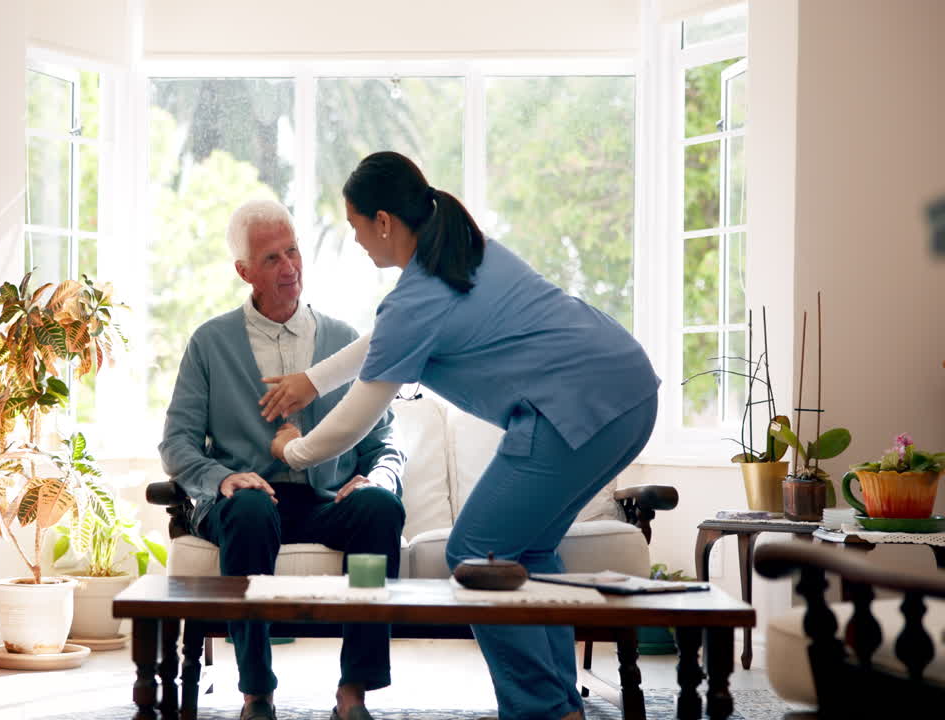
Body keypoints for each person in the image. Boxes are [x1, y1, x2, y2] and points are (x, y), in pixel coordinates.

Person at [264, 152, 659, 720]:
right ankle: (559, 705)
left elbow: (354, 420)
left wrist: (293, 450)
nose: (355, 240)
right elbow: (388, 337)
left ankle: (546, 712)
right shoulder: (462, 252)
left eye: (355, 225)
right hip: (630, 390)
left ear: (383, 221)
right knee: (526, 550)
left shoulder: (418, 295)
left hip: (576, 408)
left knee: (475, 553)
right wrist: (312, 380)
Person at [159, 199, 407, 720]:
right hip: (245, 504)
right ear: (244, 271)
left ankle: (354, 689)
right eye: (271, 258)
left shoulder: (343, 341)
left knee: (380, 509)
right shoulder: (210, 343)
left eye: (292, 251)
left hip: (324, 500)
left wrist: (379, 478)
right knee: (249, 508)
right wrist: (222, 478)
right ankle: (257, 691)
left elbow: (385, 441)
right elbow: (177, 443)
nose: (289, 266)